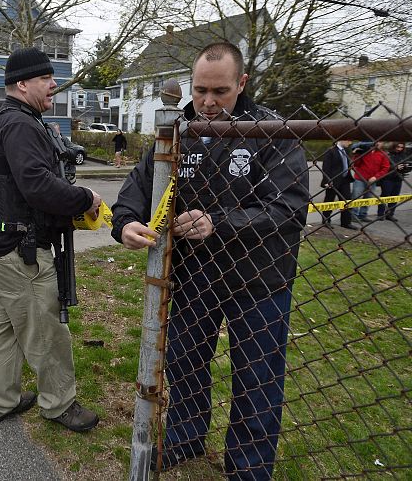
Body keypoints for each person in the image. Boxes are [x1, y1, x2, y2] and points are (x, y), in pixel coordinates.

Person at [112, 42, 309, 478]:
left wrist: (218, 222)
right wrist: (124, 222)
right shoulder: (178, 129)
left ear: (241, 83)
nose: (207, 102)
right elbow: (137, 186)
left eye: (219, 92)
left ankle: (248, 467)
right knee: (184, 362)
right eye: (200, 90)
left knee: (257, 379)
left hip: (258, 280)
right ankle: (185, 438)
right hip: (193, 275)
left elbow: (288, 209)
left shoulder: (273, 131)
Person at [0, 47, 102, 432]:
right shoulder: (19, 124)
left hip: (2, 246)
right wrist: (86, 198)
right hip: (21, 252)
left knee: (5, 325)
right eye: (46, 79)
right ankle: (59, 403)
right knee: (45, 331)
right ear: (22, 84)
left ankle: (0, 401)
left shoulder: (11, 120)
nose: (54, 85)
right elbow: (37, 185)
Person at [320, 140, 356, 229]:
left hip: (345, 180)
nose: (350, 143)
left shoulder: (346, 151)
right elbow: (326, 167)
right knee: (329, 200)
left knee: (347, 200)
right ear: (341, 140)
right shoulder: (331, 151)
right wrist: (327, 180)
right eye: (348, 140)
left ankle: (346, 222)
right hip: (333, 181)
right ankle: (326, 220)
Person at [351, 142, 389, 223]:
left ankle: (363, 215)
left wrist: (376, 177)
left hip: (372, 180)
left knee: (368, 198)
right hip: (360, 178)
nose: (378, 144)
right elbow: (355, 164)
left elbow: (385, 168)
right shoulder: (364, 151)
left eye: (380, 142)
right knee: (355, 196)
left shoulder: (383, 154)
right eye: (376, 142)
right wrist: (357, 154)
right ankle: (353, 215)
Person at [378, 142, 411, 222]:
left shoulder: (403, 155)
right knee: (385, 196)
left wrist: (407, 167)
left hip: (398, 178)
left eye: (401, 147)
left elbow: (405, 165)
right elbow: (384, 167)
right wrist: (395, 167)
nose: (399, 149)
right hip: (387, 179)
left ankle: (390, 214)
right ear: (393, 147)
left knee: (394, 197)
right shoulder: (388, 155)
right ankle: (380, 214)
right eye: (398, 147)